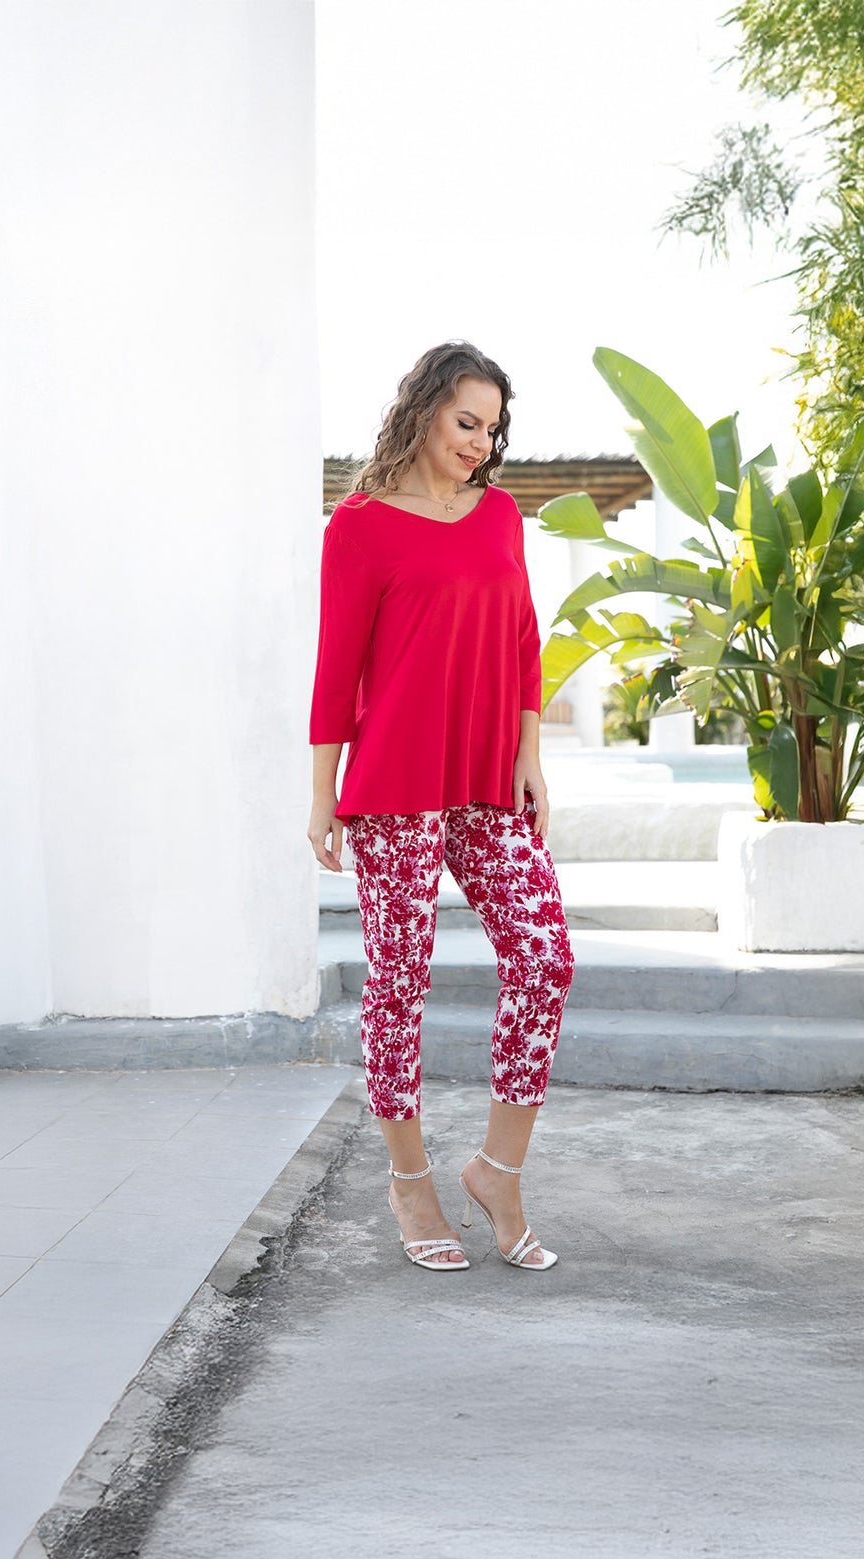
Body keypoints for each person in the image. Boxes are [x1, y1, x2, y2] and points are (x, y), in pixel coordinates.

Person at [307, 341, 576, 1272]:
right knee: (400, 982)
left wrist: (530, 753)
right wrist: (322, 794)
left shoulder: (500, 514)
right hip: (394, 784)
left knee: (544, 957)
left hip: (489, 774)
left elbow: (524, 639)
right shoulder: (360, 526)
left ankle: (499, 1170)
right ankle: (410, 1181)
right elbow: (336, 667)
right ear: (423, 410)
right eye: (467, 422)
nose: (480, 443)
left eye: (492, 429)